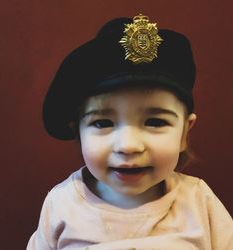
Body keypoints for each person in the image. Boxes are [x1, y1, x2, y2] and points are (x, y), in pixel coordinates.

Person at [27, 14, 233, 250]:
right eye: (103, 123)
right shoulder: (61, 204)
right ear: (79, 132)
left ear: (185, 132)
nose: (128, 145)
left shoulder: (200, 203)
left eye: (155, 122)